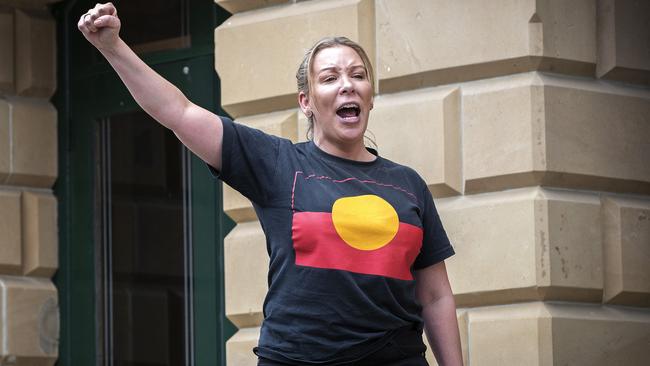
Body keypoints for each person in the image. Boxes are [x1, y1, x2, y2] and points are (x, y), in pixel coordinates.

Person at [78, 3, 463, 365]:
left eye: (357, 75)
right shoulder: (277, 164)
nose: (347, 85)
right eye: (329, 78)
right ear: (306, 101)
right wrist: (113, 47)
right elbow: (178, 112)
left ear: (370, 97)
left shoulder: (407, 185)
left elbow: (435, 295)